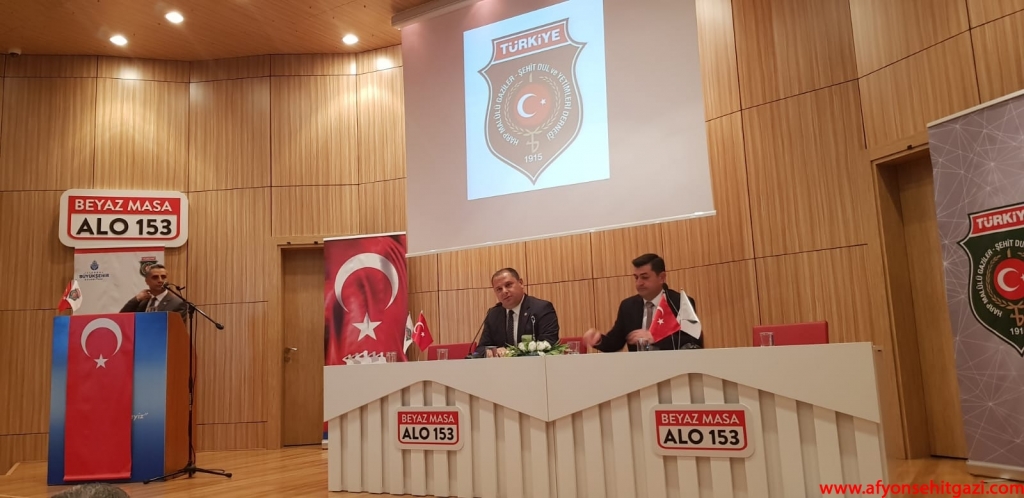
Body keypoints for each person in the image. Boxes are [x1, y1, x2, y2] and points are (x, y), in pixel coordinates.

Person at [583, 253, 702, 352]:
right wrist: (598, 340)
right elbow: (615, 343)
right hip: (638, 369)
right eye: (636, 277)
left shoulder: (679, 302)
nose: (639, 283)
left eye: (644, 277)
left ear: (661, 277)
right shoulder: (628, 306)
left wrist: (656, 338)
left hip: (674, 368)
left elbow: (693, 342)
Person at [472, 268, 559, 357]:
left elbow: (549, 344)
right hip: (501, 365)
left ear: (520, 283)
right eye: (499, 289)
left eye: (508, 285)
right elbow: (480, 349)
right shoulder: (493, 314)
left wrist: (511, 353)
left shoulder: (542, 308)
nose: (504, 291)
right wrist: (491, 351)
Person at [119, 264, 188, 322]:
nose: (160, 280)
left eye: (163, 277)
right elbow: (122, 317)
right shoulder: (142, 301)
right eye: (155, 277)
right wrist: (137, 299)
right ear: (147, 281)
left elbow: (176, 329)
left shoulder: (177, 303)